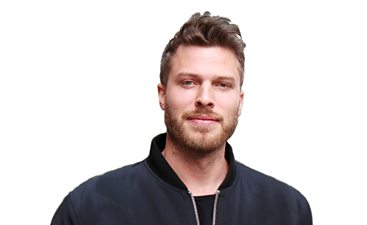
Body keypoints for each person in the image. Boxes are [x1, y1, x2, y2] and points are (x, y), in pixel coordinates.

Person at [51, 11, 312, 225]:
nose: (205, 98)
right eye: (188, 82)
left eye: (222, 85)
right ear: (162, 95)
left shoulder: (288, 210)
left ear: (240, 101)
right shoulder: (89, 209)